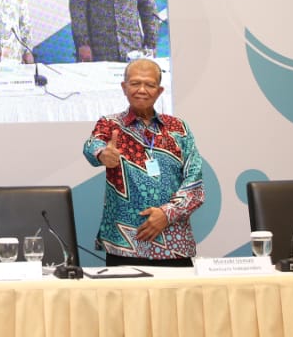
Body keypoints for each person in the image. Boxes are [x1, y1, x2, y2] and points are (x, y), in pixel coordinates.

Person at [82, 58, 203, 266]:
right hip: (124, 245)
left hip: (174, 244)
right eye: (135, 83)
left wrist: (167, 214)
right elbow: (92, 145)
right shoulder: (109, 124)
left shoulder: (179, 128)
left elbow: (195, 182)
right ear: (124, 87)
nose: (142, 90)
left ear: (159, 91)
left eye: (149, 84)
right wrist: (102, 154)